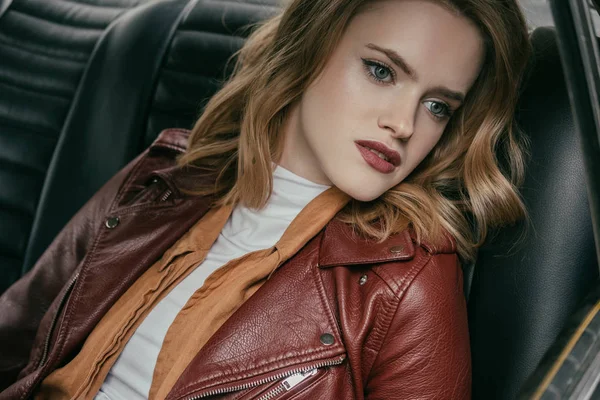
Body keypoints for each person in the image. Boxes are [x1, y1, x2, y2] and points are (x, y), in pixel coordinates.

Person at [0, 0, 531, 398]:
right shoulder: (163, 177)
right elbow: (15, 340)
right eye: (381, 71)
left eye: (437, 105)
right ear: (312, 44)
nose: (403, 123)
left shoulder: (406, 279)